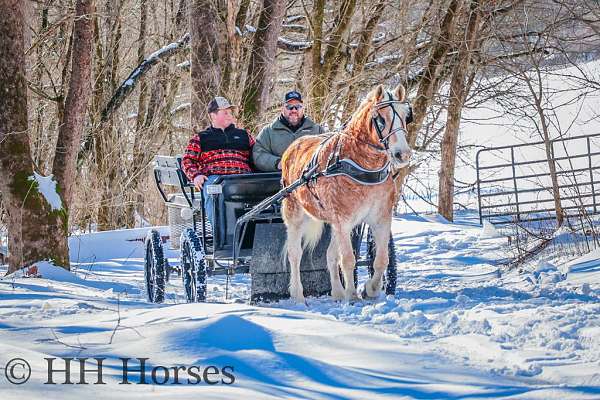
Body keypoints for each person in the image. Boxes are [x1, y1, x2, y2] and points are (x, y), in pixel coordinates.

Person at [182, 96, 255, 227]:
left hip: (243, 178)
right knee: (213, 190)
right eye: (225, 112)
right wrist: (196, 175)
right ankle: (221, 238)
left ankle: (253, 232)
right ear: (213, 115)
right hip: (216, 179)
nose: (229, 115)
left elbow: (258, 156)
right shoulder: (201, 138)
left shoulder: (244, 135)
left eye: (230, 112)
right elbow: (188, 160)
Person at [253, 90, 324, 171]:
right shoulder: (268, 131)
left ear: (303, 108)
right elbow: (258, 155)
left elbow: (328, 152)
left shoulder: (317, 130)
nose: (294, 110)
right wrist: (279, 163)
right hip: (277, 179)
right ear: (282, 108)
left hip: (311, 179)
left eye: (298, 107)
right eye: (289, 107)